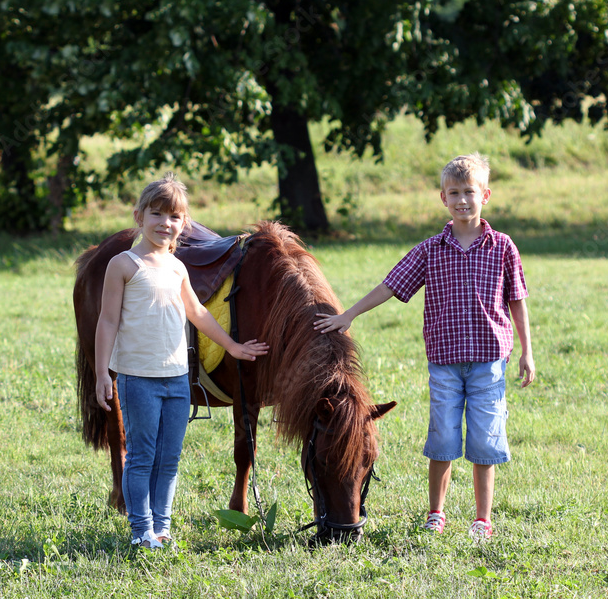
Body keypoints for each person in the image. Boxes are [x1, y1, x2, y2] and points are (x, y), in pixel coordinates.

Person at [314, 153, 535, 541]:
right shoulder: (431, 249)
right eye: (454, 193)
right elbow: (391, 285)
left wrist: (527, 352)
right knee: (443, 439)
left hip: (489, 362)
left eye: (470, 192)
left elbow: (517, 299)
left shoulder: (502, 247)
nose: (462, 200)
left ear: (486, 194)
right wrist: (349, 314)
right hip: (445, 363)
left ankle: (482, 518)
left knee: (485, 440)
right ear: (442, 198)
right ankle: (437, 512)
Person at [94, 173, 269, 549]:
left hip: (177, 379)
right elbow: (107, 321)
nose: (165, 223)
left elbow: (199, 315)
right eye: (157, 214)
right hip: (137, 377)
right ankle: (141, 531)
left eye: (174, 217)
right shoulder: (123, 265)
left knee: (169, 459)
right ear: (138, 216)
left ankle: (162, 528)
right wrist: (101, 373)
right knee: (142, 457)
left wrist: (234, 347)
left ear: (184, 223)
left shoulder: (177, 267)